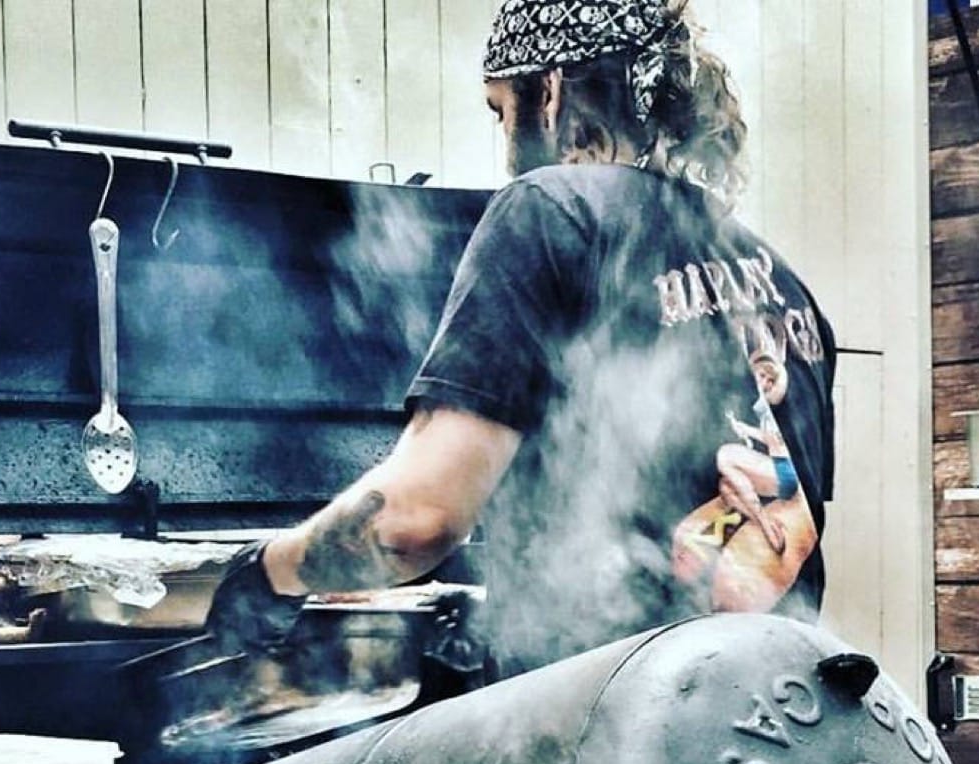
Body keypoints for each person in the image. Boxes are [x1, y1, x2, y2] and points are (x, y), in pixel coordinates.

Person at [206, 0, 836, 680]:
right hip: (783, 704)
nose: (506, 138)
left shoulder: (550, 210)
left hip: (619, 715)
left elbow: (415, 520)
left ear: (552, 91)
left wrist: (267, 573)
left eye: (501, 109)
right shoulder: (784, 283)